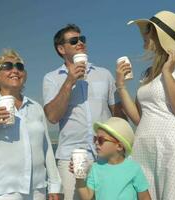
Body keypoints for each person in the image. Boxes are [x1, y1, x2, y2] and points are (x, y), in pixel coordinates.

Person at [115, 11, 175, 199]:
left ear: (159, 35)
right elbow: (139, 118)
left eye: (148, 29)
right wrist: (120, 85)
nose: (144, 33)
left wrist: (167, 73)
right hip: (145, 152)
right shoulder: (147, 74)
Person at [0, 49, 62, 200]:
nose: (15, 70)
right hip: (2, 190)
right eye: (7, 66)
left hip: (37, 189)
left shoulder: (35, 107)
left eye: (19, 67)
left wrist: (54, 185)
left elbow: (46, 147)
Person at [43, 24, 126, 200]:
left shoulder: (104, 74)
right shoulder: (51, 78)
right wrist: (69, 81)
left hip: (106, 154)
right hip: (71, 157)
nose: (80, 43)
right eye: (74, 41)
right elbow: (52, 116)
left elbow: (119, 116)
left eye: (82, 39)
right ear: (61, 49)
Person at [72, 117, 151, 200]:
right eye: (95, 139)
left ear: (119, 146)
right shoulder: (95, 168)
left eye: (101, 140)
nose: (96, 143)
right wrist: (79, 178)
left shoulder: (134, 168)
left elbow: (145, 197)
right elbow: (87, 197)